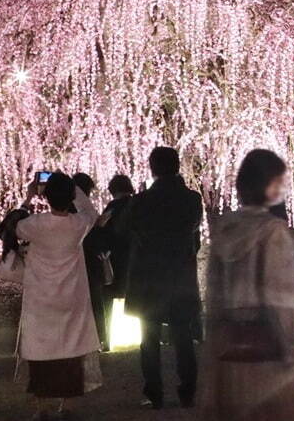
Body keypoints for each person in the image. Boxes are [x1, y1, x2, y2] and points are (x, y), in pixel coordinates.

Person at [206, 149, 294, 421]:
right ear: (266, 184)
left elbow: (213, 291)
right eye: (280, 181)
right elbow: (280, 295)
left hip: (229, 346)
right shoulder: (271, 231)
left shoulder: (225, 228)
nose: (283, 187)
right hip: (267, 348)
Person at [115, 147, 203, 409]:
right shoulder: (191, 199)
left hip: (149, 276)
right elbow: (193, 229)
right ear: (177, 166)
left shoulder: (141, 201)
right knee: (183, 334)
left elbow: (121, 229)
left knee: (149, 336)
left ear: (152, 168)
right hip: (179, 275)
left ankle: (154, 392)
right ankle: (188, 390)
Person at [11, 171, 103, 418]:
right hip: (71, 295)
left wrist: (28, 198)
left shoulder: (34, 225)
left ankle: (41, 407)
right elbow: (91, 211)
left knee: (41, 349)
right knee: (71, 350)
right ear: (71, 196)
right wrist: (75, 189)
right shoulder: (78, 224)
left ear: (46, 197)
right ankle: (69, 405)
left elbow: (13, 226)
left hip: (41, 296)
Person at [88, 174, 136, 350]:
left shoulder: (112, 208)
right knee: (141, 299)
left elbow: (103, 232)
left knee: (106, 299)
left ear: (112, 190)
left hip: (114, 258)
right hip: (136, 258)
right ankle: (151, 336)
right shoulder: (138, 205)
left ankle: (106, 340)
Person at [72, 174, 111, 351]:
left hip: (76, 263)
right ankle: (99, 339)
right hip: (90, 261)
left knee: (83, 302)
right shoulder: (85, 211)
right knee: (95, 301)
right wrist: (99, 226)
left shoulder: (70, 208)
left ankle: (83, 339)